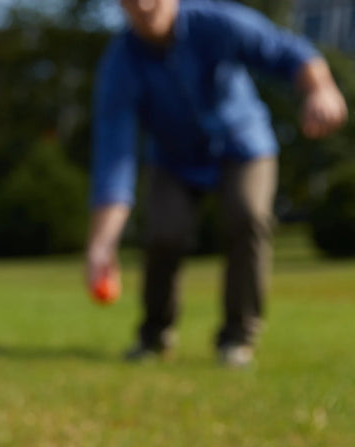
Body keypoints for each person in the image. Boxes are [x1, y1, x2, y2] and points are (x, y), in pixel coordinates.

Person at [85, 0, 347, 366]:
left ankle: (237, 339)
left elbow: (289, 52)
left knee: (248, 216)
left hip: (243, 146)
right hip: (174, 160)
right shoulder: (120, 64)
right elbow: (114, 158)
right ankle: (154, 336)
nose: (144, 4)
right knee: (164, 232)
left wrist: (320, 88)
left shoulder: (219, 23)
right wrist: (102, 244)